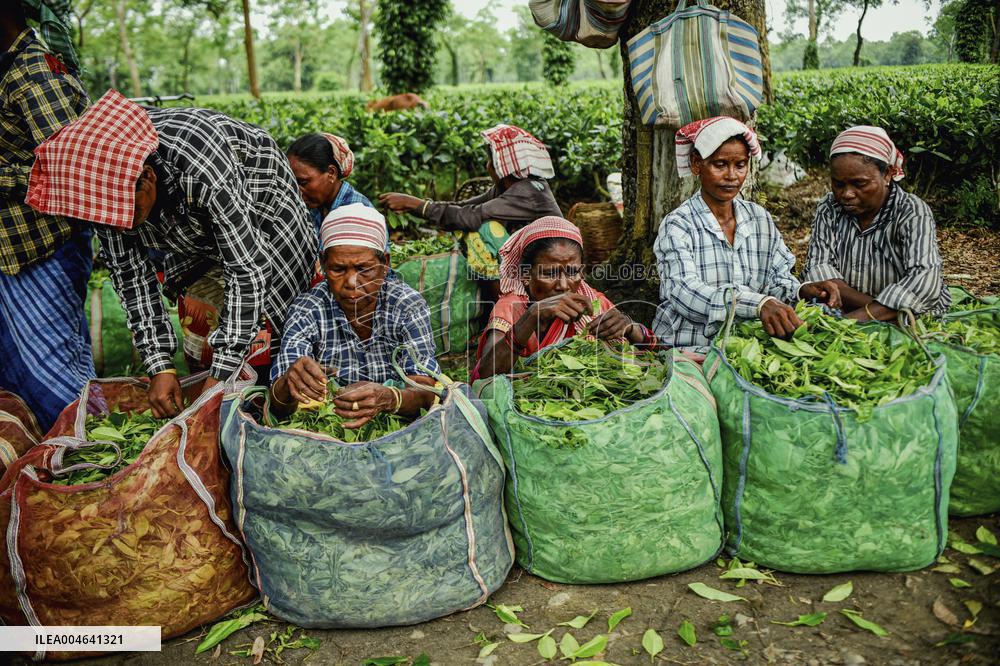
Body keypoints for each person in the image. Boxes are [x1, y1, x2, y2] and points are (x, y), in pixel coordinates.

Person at [26, 89, 316, 418]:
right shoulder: (109, 194)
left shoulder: (201, 169)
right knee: (204, 309)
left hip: (265, 209)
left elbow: (246, 270)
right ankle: (220, 378)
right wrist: (160, 366)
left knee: (274, 316)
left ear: (148, 178)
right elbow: (131, 278)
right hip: (192, 223)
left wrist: (220, 378)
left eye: (130, 215)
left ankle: (277, 396)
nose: (122, 229)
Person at [653, 116, 841, 353]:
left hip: (747, 346)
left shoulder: (758, 218)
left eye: (740, 165)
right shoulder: (678, 225)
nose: (732, 175)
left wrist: (801, 291)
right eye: (720, 164)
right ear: (696, 164)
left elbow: (777, 279)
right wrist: (757, 305)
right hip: (690, 345)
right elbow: (685, 293)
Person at [0, 0, 92, 431]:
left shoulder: (33, 74)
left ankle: (88, 457)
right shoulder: (10, 67)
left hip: (44, 249)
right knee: (26, 370)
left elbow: (70, 170)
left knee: (56, 373)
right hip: (15, 250)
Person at [269, 204, 439, 427]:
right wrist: (289, 383)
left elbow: (425, 388)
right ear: (322, 265)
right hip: (332, 431)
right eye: (338, 269)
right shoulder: (307, 310)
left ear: (384, 264)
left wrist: (390, 398)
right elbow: (278, 404)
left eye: (363, 269)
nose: (351, 283)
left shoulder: (407, 305)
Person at [474, 217, 656, 380]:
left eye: (572, 272)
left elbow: (657, 349)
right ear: (526, 275)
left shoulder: (591, 301)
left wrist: (630, 327)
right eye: (549, 273)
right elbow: (485, 372)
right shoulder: (511, 307)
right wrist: (532, 316)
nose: (563, 285)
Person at [378, 124, 563, 280]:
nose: (488, 167)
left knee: (483, 230)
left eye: (491, 161)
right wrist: (417, 205)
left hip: (552, 263)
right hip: (537, 257)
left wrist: (416, 205)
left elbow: (470, 216)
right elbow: (464, 206)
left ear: (502, 166)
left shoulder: (527, 190)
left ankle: (499, 295)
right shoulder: (508, 188)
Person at [802, 126, 950, 321]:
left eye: (860, 184)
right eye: (838, 184)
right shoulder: (829, 207)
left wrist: (852, 320)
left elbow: (923, 281)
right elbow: (819, 268)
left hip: (910, 316)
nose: (846, 194)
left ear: (887, 174)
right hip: (868, 310)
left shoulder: (911, 211)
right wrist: (877, 308)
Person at [285, 132, 378, 242]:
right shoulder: (314, 208)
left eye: (303, 182)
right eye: (292, 183)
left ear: (331, 173)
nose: (296, 191)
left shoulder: (359, 215)